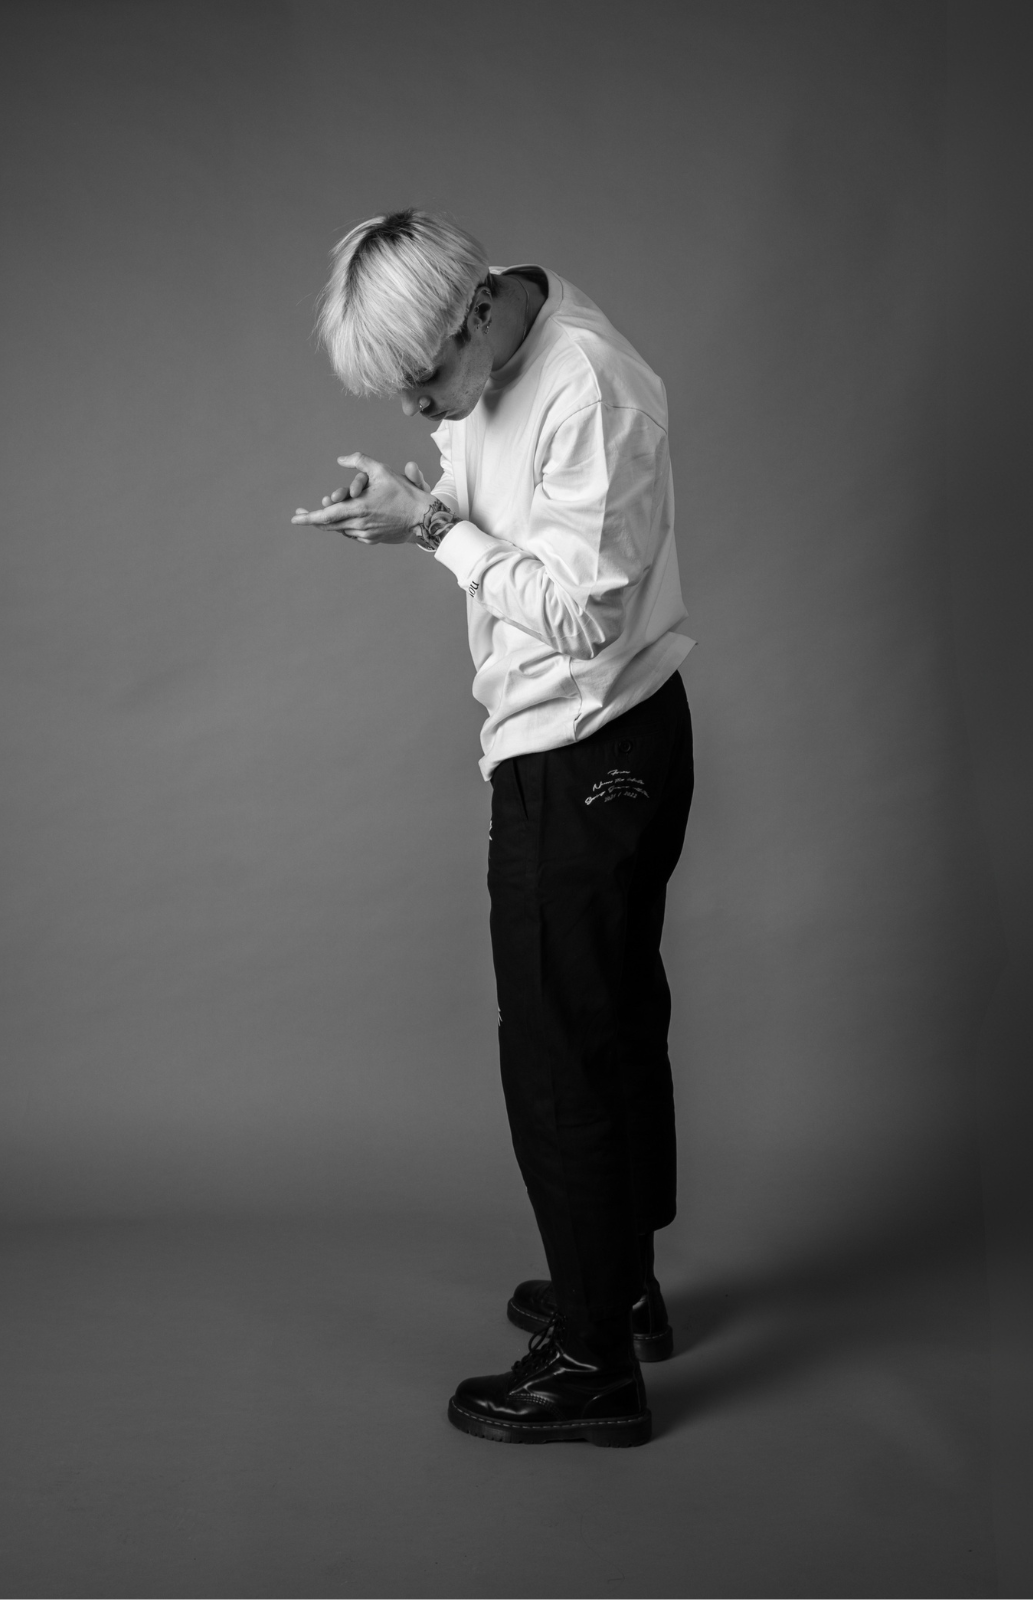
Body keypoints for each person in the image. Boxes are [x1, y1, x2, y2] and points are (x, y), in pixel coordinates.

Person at [291, 211, 694, 1448]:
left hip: (584, 751)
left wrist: (432, 527)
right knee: (608, 1023)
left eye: (422, 385)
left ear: (470, 319)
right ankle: (614, 1289)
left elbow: (575, 614)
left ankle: (590, 1367)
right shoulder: (494, 350)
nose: (424, 412)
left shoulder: (591, 387)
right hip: (591, 743)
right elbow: (477, 495)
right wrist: (407, 503)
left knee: (561, 1053)